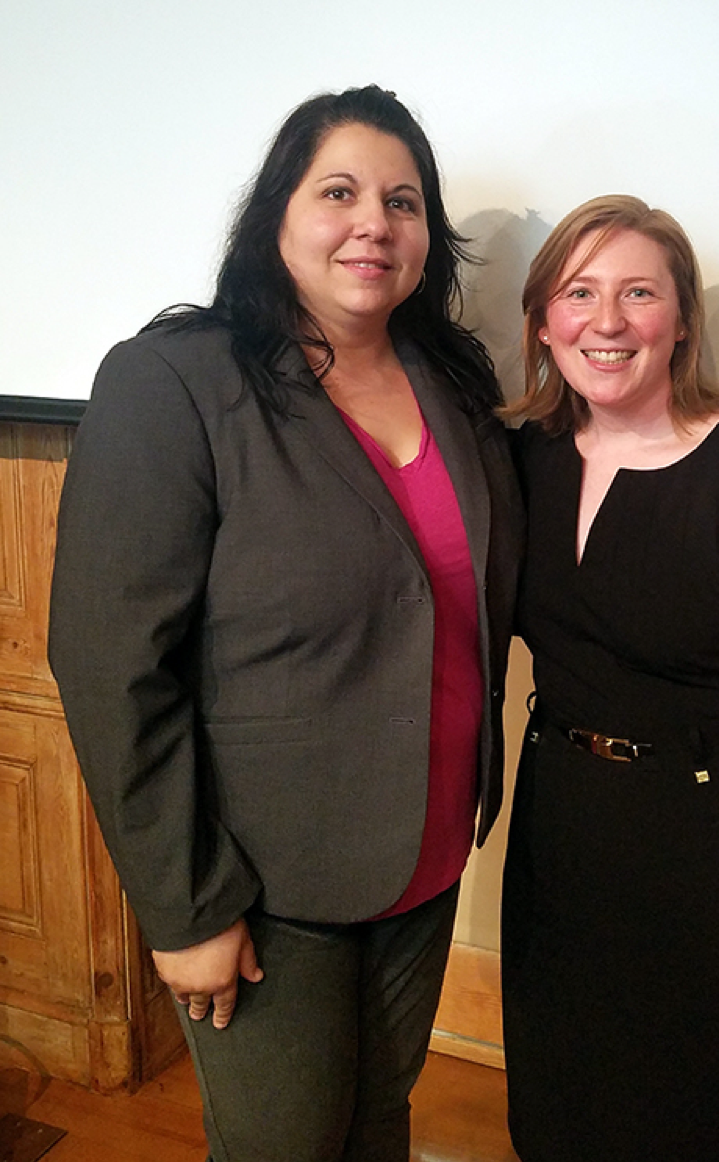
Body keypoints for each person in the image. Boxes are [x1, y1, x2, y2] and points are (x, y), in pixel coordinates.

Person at [48, 85, 523, 1162]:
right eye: (340, 192)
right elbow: (110, 663)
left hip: (428, 853)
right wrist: (185, 907)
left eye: (404, 202)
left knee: (378, 1123)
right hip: (265, 882)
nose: (375, 223)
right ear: (278, 217)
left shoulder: (452, 384)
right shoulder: (176, 381)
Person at [499, 195, 719, 1162]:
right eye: (579, 293)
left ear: (681, 319)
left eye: (637, 293)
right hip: (563, 850)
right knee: (564, 1114)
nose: (604, 322)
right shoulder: (521, 460)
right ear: (541, 319)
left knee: (713, 1125)